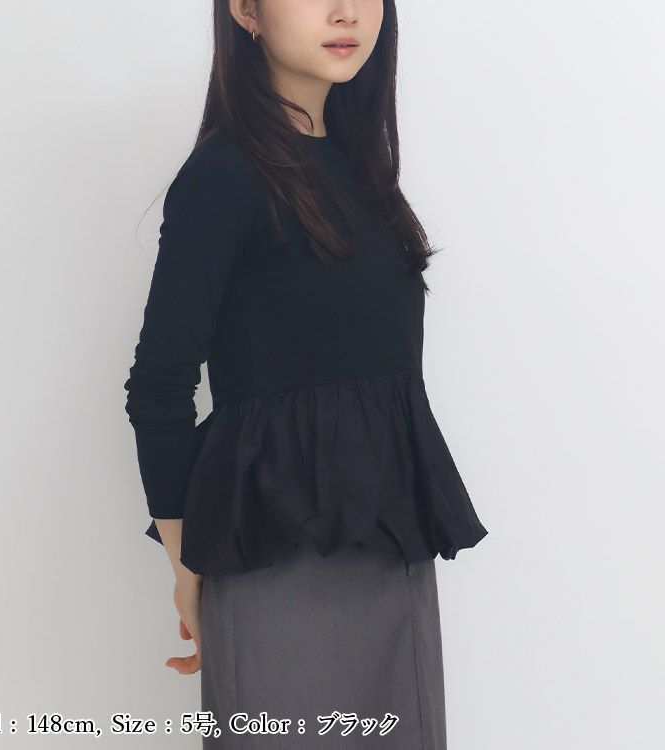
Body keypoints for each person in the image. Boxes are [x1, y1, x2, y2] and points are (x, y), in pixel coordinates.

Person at [123, 1, 488, 747]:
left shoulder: (363, 169)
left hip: (392, 561)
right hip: (280, 560)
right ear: (246, 10)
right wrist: (186, 566)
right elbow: (159, 382)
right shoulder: (225, 175)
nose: (346, 11)